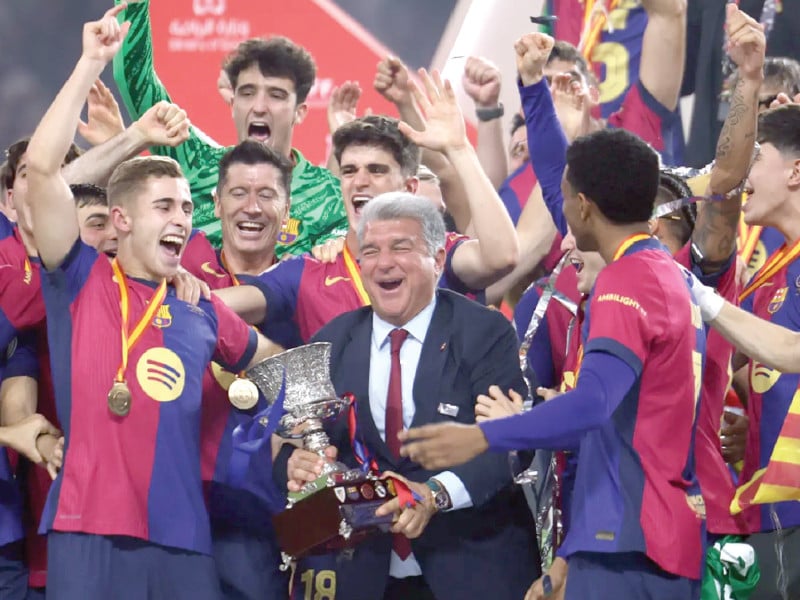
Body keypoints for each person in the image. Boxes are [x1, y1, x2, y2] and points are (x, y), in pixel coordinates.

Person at [24, 8, 283, 598]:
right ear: (120, 220)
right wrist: (98, 71)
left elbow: (274, 359)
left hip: (184, 537)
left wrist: (301, 428)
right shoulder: (80, 280)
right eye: (165, 206)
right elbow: (43, 173)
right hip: (85, 531)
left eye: (189, 208)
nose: (183, 219)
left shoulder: (200, 307)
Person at [401, 128, 707, 600]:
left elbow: (592, 405)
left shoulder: (627, 279)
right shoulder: (668, 275)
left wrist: (483, 435)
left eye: (562, 198)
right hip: (640, 537)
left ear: (583, 206)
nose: (561, 215)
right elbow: (617, 430)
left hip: (630, 544)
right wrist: (572, 554)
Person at [274, 193, 539, 600]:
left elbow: (508, 447)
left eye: (401, 247)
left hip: (472, 566)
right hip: (363, 573)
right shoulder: (330, 341)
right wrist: (294, 463)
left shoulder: (484, 332)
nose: (384, 262)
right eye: (371, 251)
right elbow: (293, 441)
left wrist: (434, 495)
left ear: (437, 259)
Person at [217, 71, 519, 341]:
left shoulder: (440, 257)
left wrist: (459, 149)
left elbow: (502, 257)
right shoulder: (309, 271)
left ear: (409, 188)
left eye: (376, 170)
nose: (359, 181)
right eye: (349, 171)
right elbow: (217, 306)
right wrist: (174, 281)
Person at [113, 0, 348, 254]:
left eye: (276, 95)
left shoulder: (328, 194)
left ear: (299, 112)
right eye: (247, 93)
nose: (259, 107)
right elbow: (136, 78)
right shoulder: (197, 163)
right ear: (233, 103)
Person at [688, 104, 800, 600]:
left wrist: (702, 298)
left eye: (756, 158)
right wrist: (753, 416)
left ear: (795, 170)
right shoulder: (770, 275)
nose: (743, 175)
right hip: (765, 510)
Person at [179, 140, 298, 599]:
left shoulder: (306, 284)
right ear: (216, 203)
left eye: (267, 195)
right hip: (175, 503)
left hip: (260, 518)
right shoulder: (180, 263)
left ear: (286, 209)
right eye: (238, 193)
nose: (252, 208)